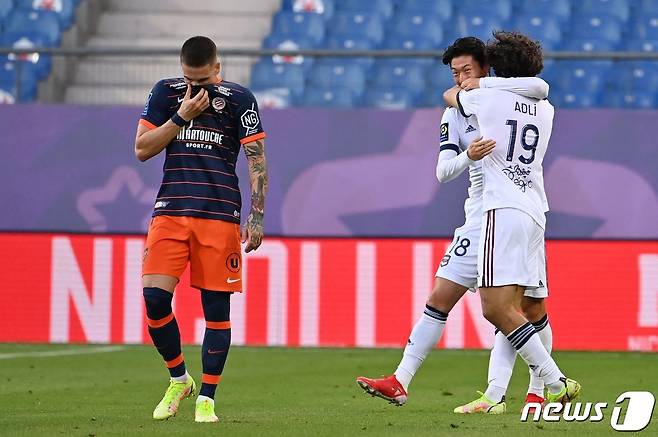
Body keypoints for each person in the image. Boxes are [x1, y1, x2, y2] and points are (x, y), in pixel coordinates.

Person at [356, 37, 553, 413]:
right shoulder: (456, 115)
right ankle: (401, 380)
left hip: (508, 212)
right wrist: (468, 155)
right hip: (479, 217)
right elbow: (444, 171)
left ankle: (535, 390)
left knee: (525, 308)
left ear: (486, 70)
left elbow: (535, 88)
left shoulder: (501, 100)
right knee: (440, 298)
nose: (461, 79)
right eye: (455, 73)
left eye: (467, 71)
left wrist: (475, 89)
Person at [134, 36, 268, 423]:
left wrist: (257, 215)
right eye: (190, 80)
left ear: (217, 69)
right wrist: (180, 116)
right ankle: (179, 379)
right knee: (154, 300)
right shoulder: (166, 93)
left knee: (216, 311)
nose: (196, 88)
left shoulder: (239, 99)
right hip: (171, 211)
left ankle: (207, 397)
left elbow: (257, 159)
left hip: (219, 215)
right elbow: (142, 149)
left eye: (203, 81)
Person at [443, 31, 580, 406]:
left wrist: (481, 83)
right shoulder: (545, 107)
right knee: (529, 308)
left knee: (495, 307)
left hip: (502, 208)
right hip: (535, 209)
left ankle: (555, 381)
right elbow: (537, 88)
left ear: (494, 68)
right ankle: (505, 395)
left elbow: (451, 95)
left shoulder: (485, 97)